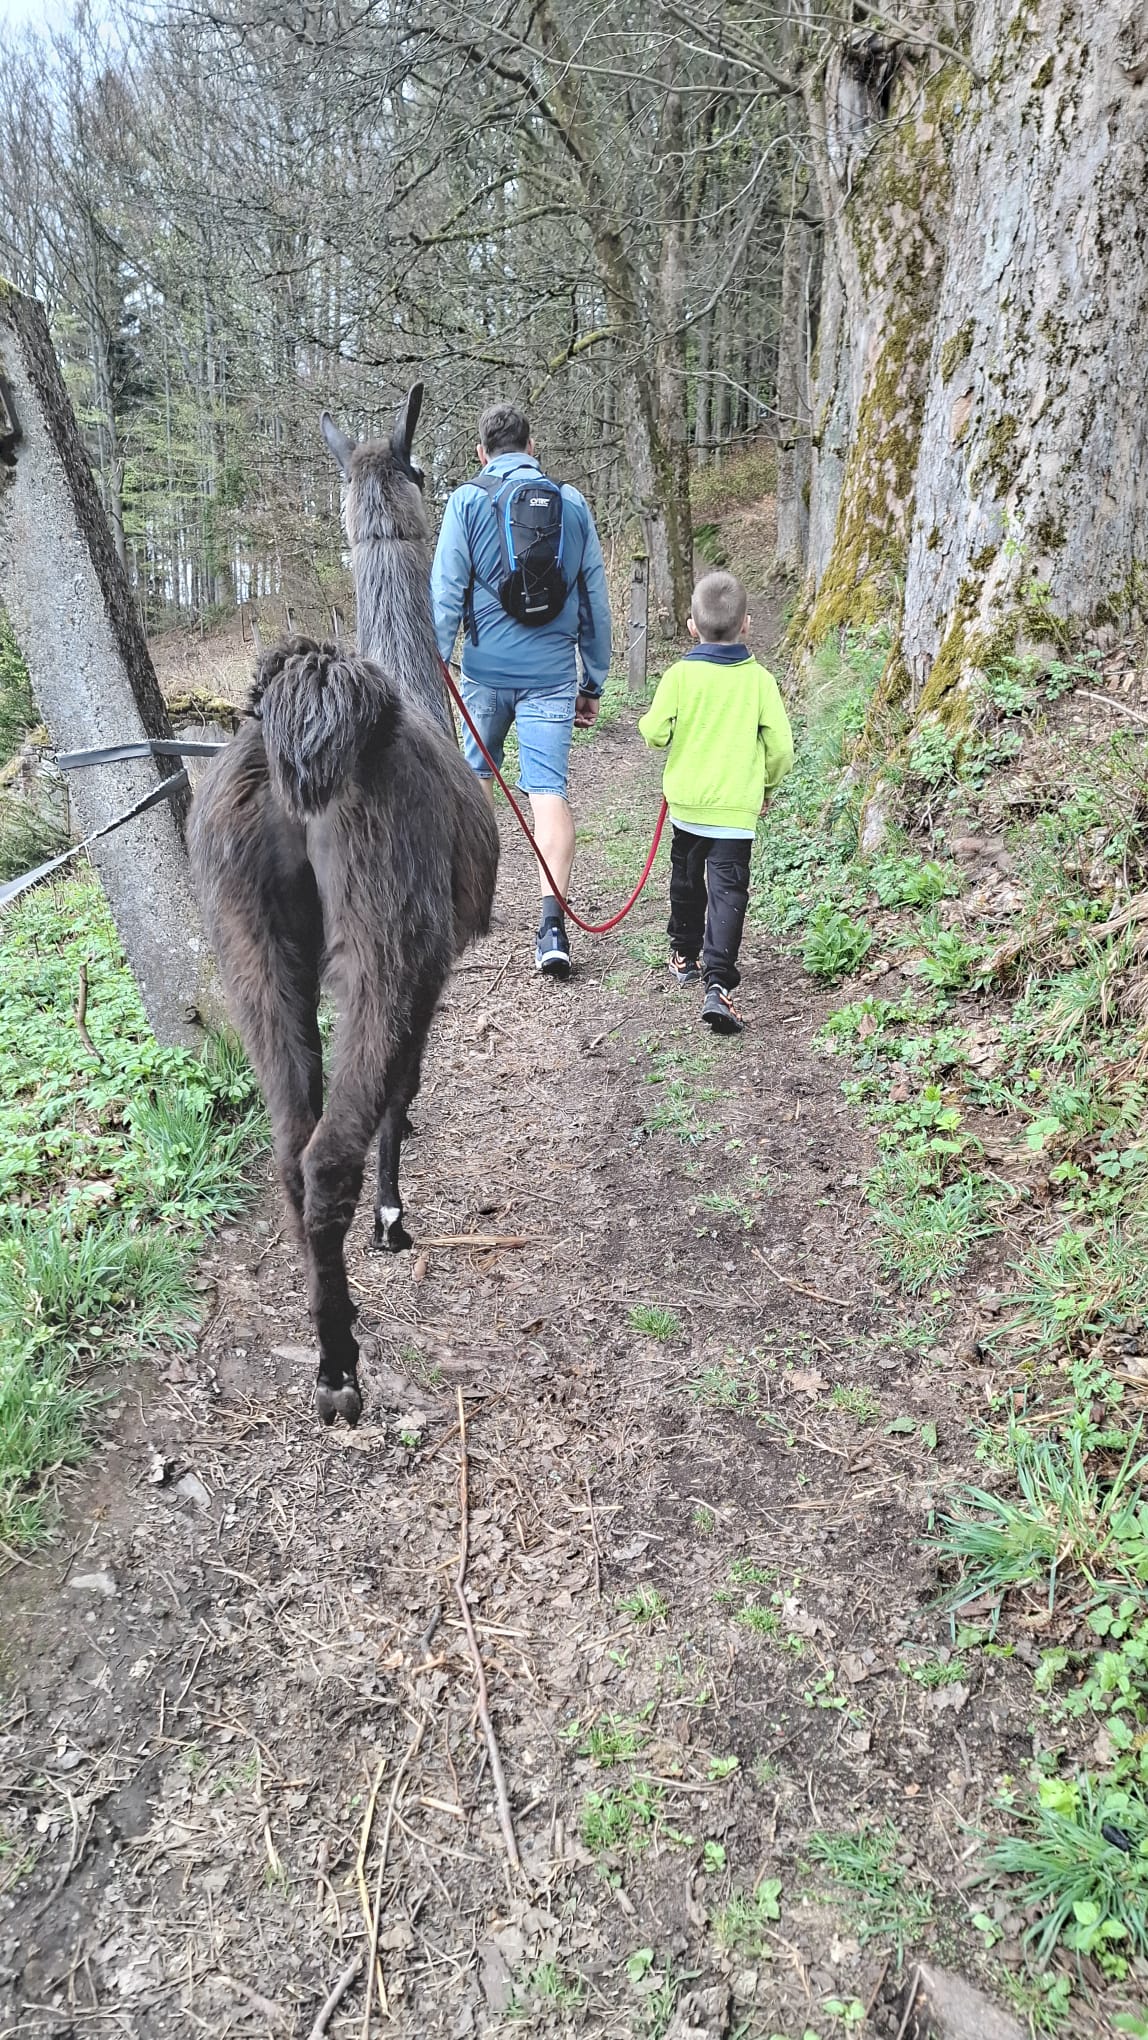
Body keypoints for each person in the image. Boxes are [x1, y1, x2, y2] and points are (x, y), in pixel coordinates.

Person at [430, 402, 612, 979]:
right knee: (548, 792)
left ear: (482, 452)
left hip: (483, 674)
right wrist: (593, 680)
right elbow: (594, 601)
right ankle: (552, 926)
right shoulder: (573, 504)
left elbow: (446, 591)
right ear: (531, 448)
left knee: (475, 778)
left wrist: (437, 660)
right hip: (553, 677)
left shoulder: (465, 501)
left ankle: (472, 906)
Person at [638, 570, 793, 1035]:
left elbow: (654, 731)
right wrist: (765, 786)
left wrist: (665, 730)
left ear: (692, 626)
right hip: (735, 814)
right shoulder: (761, 682)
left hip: (687, 807)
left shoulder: (680, 676)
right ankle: (718, 984)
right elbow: (782, 748)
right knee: (728, 893)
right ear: (747, 624)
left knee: (686, 882)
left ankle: (685, 955)